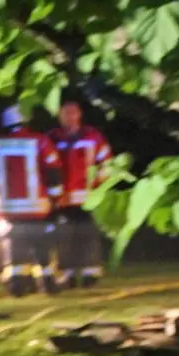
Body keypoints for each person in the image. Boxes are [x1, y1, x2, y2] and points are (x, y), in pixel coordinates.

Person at [0, 105, 64, 294]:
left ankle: (17, 286)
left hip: (9, 209)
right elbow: (53, 170)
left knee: (15, 251)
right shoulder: (40, 141)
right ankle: (47, 284)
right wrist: (55, 197)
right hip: (37, 207)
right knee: (42, 247)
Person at [48, 99, 112, 287]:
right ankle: (66, 273)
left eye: (72, 113)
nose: (69, 117)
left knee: (88, 235)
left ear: (79, 115)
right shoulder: (52, 138)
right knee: (63, 238)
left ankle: (90, 272)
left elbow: (106, 164)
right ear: (59, 116)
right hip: (63, 199)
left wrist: (99, 187)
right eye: (65, 113)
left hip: (88, 197)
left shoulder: (93, 137)